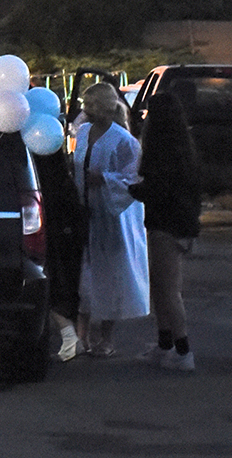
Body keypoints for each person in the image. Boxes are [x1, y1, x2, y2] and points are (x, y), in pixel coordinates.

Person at [72, 81, 149, 357]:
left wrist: (104, 179)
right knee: (83, 275)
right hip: (84, 213)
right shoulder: (82, 133)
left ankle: (105, 337)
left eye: (91, 105)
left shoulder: (123, 140)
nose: (87, 111)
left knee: (110, 275)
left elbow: (133, 179)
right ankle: (81, 337)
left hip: (110, 218)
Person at [128, 92, 203, 371]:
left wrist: (132, 189)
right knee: (162, 287)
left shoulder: (160, 151)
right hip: (181, 223)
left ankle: (182, 349)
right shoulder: (185, 148)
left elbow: (157, 189)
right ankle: (165, 344)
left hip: (165, 224)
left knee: (168, 290)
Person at [33, 141, 87, 361]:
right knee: (65, 283)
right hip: (67, 233)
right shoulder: (63, 179)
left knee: (48, 283)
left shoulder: (38, 177)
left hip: (50, 233)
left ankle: (68, 335)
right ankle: (72, 335)